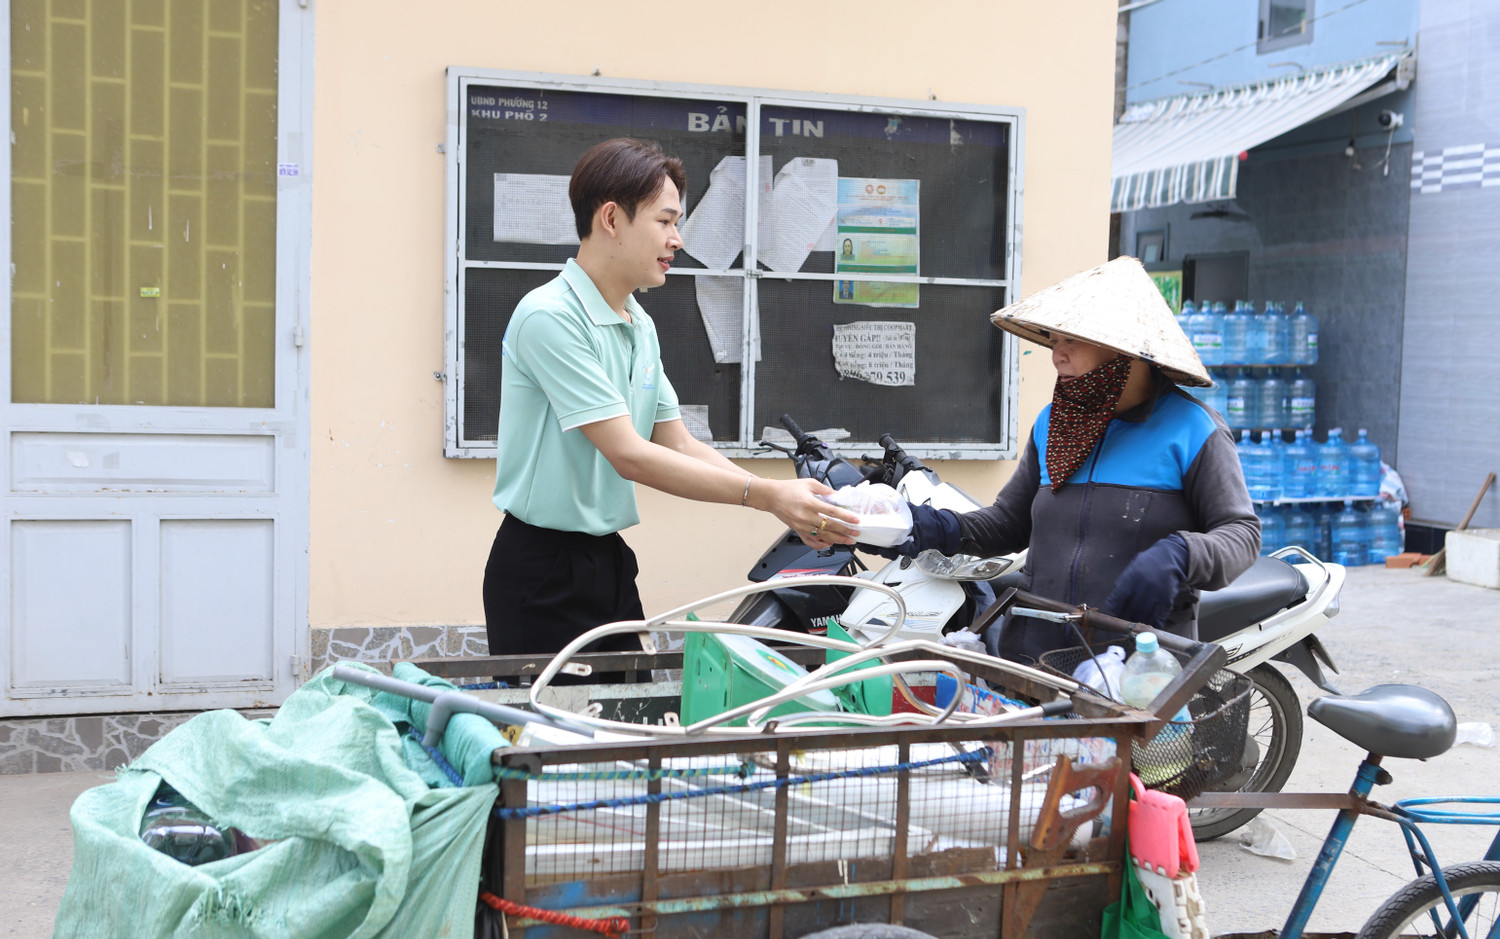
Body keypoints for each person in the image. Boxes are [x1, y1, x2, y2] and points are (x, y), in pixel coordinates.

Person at [483, 138, 859, 671]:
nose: (677, 239)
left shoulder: (639, 324)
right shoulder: (550, 316)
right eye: (664, 221)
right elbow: (629, 454)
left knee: (627, 726)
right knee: (559, 743)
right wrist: (769, 495)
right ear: (611, 218)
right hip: (541, 568)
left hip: (607, 559)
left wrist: (779, 499)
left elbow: (676, 440)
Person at [899, 256, 1259, 664]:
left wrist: (1179, 554)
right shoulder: (1053, 424)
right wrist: (923, 525)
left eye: (1073, 340)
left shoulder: (1193, 430)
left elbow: (1241, 534)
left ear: (1127, 347)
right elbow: (1009, 524)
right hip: (1037, 659)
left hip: (1135, 672)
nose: (1058, 356)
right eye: (1054, 341)